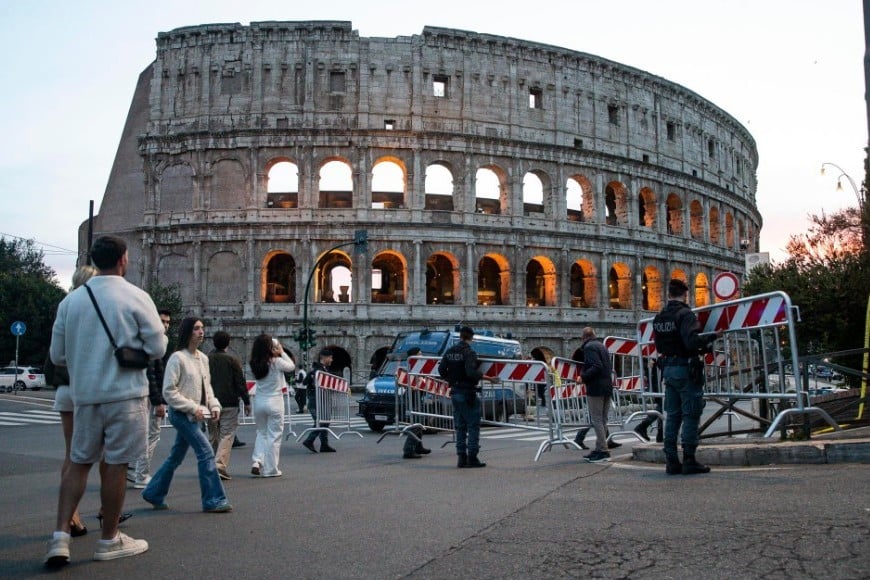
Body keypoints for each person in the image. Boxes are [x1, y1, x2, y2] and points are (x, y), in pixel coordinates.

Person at [46, 235, 167, 567]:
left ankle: (59, 538)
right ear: (123, 260)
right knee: (116, 466)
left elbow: (57, 355)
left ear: (95, 260)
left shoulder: (71, 301)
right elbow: (157, 348)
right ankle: (109, 539)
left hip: (85, 396)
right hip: (125, 395)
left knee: (78, 462)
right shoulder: (136, 296)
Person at [141, 317, 232, 512]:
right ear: (187, 332)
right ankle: (213, 500)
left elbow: (207, 387)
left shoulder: (203, 358)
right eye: (197, 328)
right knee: (206, 452)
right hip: (182, 414)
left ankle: (154, 492)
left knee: (176, 457)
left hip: (197, 414)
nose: (201, 331)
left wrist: (214, 406)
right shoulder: (177, 358)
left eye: (202, 328)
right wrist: (193, 407)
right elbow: (169, 391)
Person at [43, 265, 99, 539]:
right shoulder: (91, 306)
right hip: (88, 388)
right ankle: (82, 516)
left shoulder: (65, 304)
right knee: (102, 456)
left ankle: (70, 519)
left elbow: (56, 353)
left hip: (66, 389)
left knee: (73, 455)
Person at [653, 279, 722, 476]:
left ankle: (672, 460)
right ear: (685, 294)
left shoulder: (659, 317)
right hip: (685, 368)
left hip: (668, 369)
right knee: (691, 413)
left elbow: (659, 346)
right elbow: (691, 341)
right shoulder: (685, 315)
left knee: (672, 416)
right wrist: (712, 336)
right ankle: (690, 459)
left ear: (668, 294)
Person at [438, 326, 499, 468]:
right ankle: (472, 457)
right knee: (473, 425)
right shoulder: (469, 352)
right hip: (468, 392)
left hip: (455, 391)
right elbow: (471, 372)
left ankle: (461, 458)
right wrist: (489, 379)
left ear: (460, 336)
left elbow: (441, 370)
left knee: (460, 427)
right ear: (471, 337)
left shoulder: (450, 351)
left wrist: (451, 380)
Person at [130, 308, 171, 489]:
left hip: (140, 392)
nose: (165, 325)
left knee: (141, 434)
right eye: (162, 321)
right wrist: (159, 401)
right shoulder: (155, 340)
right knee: (151, 434)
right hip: (147, 395)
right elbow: (152, 372)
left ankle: (134, 470)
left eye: (168, 322)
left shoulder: (144, 337)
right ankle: (141, 474)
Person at [249, 335, 295, 476]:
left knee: (261, 433)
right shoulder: (277, 362)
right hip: (275, 401)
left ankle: (257, 461)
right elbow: (291, 366)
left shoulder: (254, 362)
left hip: (259, 402)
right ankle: (270, 469)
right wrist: (281, 351)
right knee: (274, 436)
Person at [208, 331, 250, 480]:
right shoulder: (233, 360)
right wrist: (247, 401)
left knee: (213, 435)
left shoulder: (206, 359)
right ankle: (219, 465)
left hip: (210, 402)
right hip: (230, 402)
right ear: (228, 343)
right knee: (227, 435)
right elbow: (240, 382)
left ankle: (211, 465)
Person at [578, 327, 614, 463]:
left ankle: (603, 450)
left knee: (597, 419)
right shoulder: (601, 346)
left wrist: (583, 377)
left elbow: (596, 366)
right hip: (607, 386)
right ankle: (600, 447)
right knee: (603, 419)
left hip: (596, 387)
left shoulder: (589, 347)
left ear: (583, 337)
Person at [301, 348, 337, 453]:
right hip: (315, 401)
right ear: (323, 357)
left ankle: (324, 445)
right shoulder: (317, 370)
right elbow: (305, 382)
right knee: (320, 422)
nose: (331, 360)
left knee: (325, 422)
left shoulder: (323, 370)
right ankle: (309, 440)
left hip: (323, 400)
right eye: (330, 357)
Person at [402, 347, 431, 460]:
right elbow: (409, 383)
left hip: (417, 397)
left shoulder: (418, 367)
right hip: (413, 397)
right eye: (420, 354)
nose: (422, 355)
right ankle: (408, 450)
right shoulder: (411, 367)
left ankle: (418, 446)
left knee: (419, 422)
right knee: (416, 423)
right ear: (413, 356)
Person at [634, 359, 664, 443]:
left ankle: (660, 434)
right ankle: (643, 427)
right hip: (659, 379)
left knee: (662, 406)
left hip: (658, 378)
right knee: (663, 406)